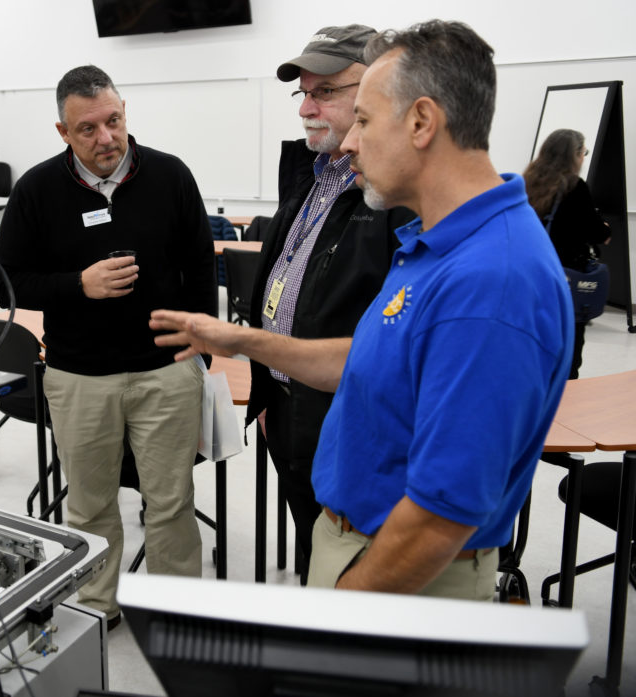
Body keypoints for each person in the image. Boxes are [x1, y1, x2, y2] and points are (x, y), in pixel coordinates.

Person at [151, 20, 573, 601]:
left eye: (366, 121)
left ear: (422, 122)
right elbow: (369, 358)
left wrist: (342, 615)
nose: (349, 142)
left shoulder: (491, 283)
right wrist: (246, 343)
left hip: (396, 568)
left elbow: (440, 516)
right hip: (356, 539)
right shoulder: (437, 241)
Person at [0, 65, 217, 628]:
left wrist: (201, 351)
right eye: (87, 129)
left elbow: (200, 268)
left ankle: (178, 611)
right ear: (63, 133)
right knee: (89, 505)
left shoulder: (169, 175)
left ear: (124, 112)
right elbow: (4, 283)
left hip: (166, 373)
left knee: (170, 503)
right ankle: (96, 607)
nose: (105, 137)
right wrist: (77, 285)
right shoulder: (37, 190)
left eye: (113, 120)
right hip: (78, 377)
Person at [249, 25, 410, 582]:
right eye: (304, 93)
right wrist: (269, 390)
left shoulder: (395, 192)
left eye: (326, 92)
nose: (306, 109)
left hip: (351, 416)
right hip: (288, 409)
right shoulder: (311, 173)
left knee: (356, 566)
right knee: (315, 554)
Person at [523, 128, 611, 379]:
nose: (583, 158)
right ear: (574, 155)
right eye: (583, 152)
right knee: (569, 349)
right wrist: (604, 227)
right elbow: (597, 233)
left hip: (531, 273)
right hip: (565, 278)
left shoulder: (528, 181)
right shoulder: (574, 186)